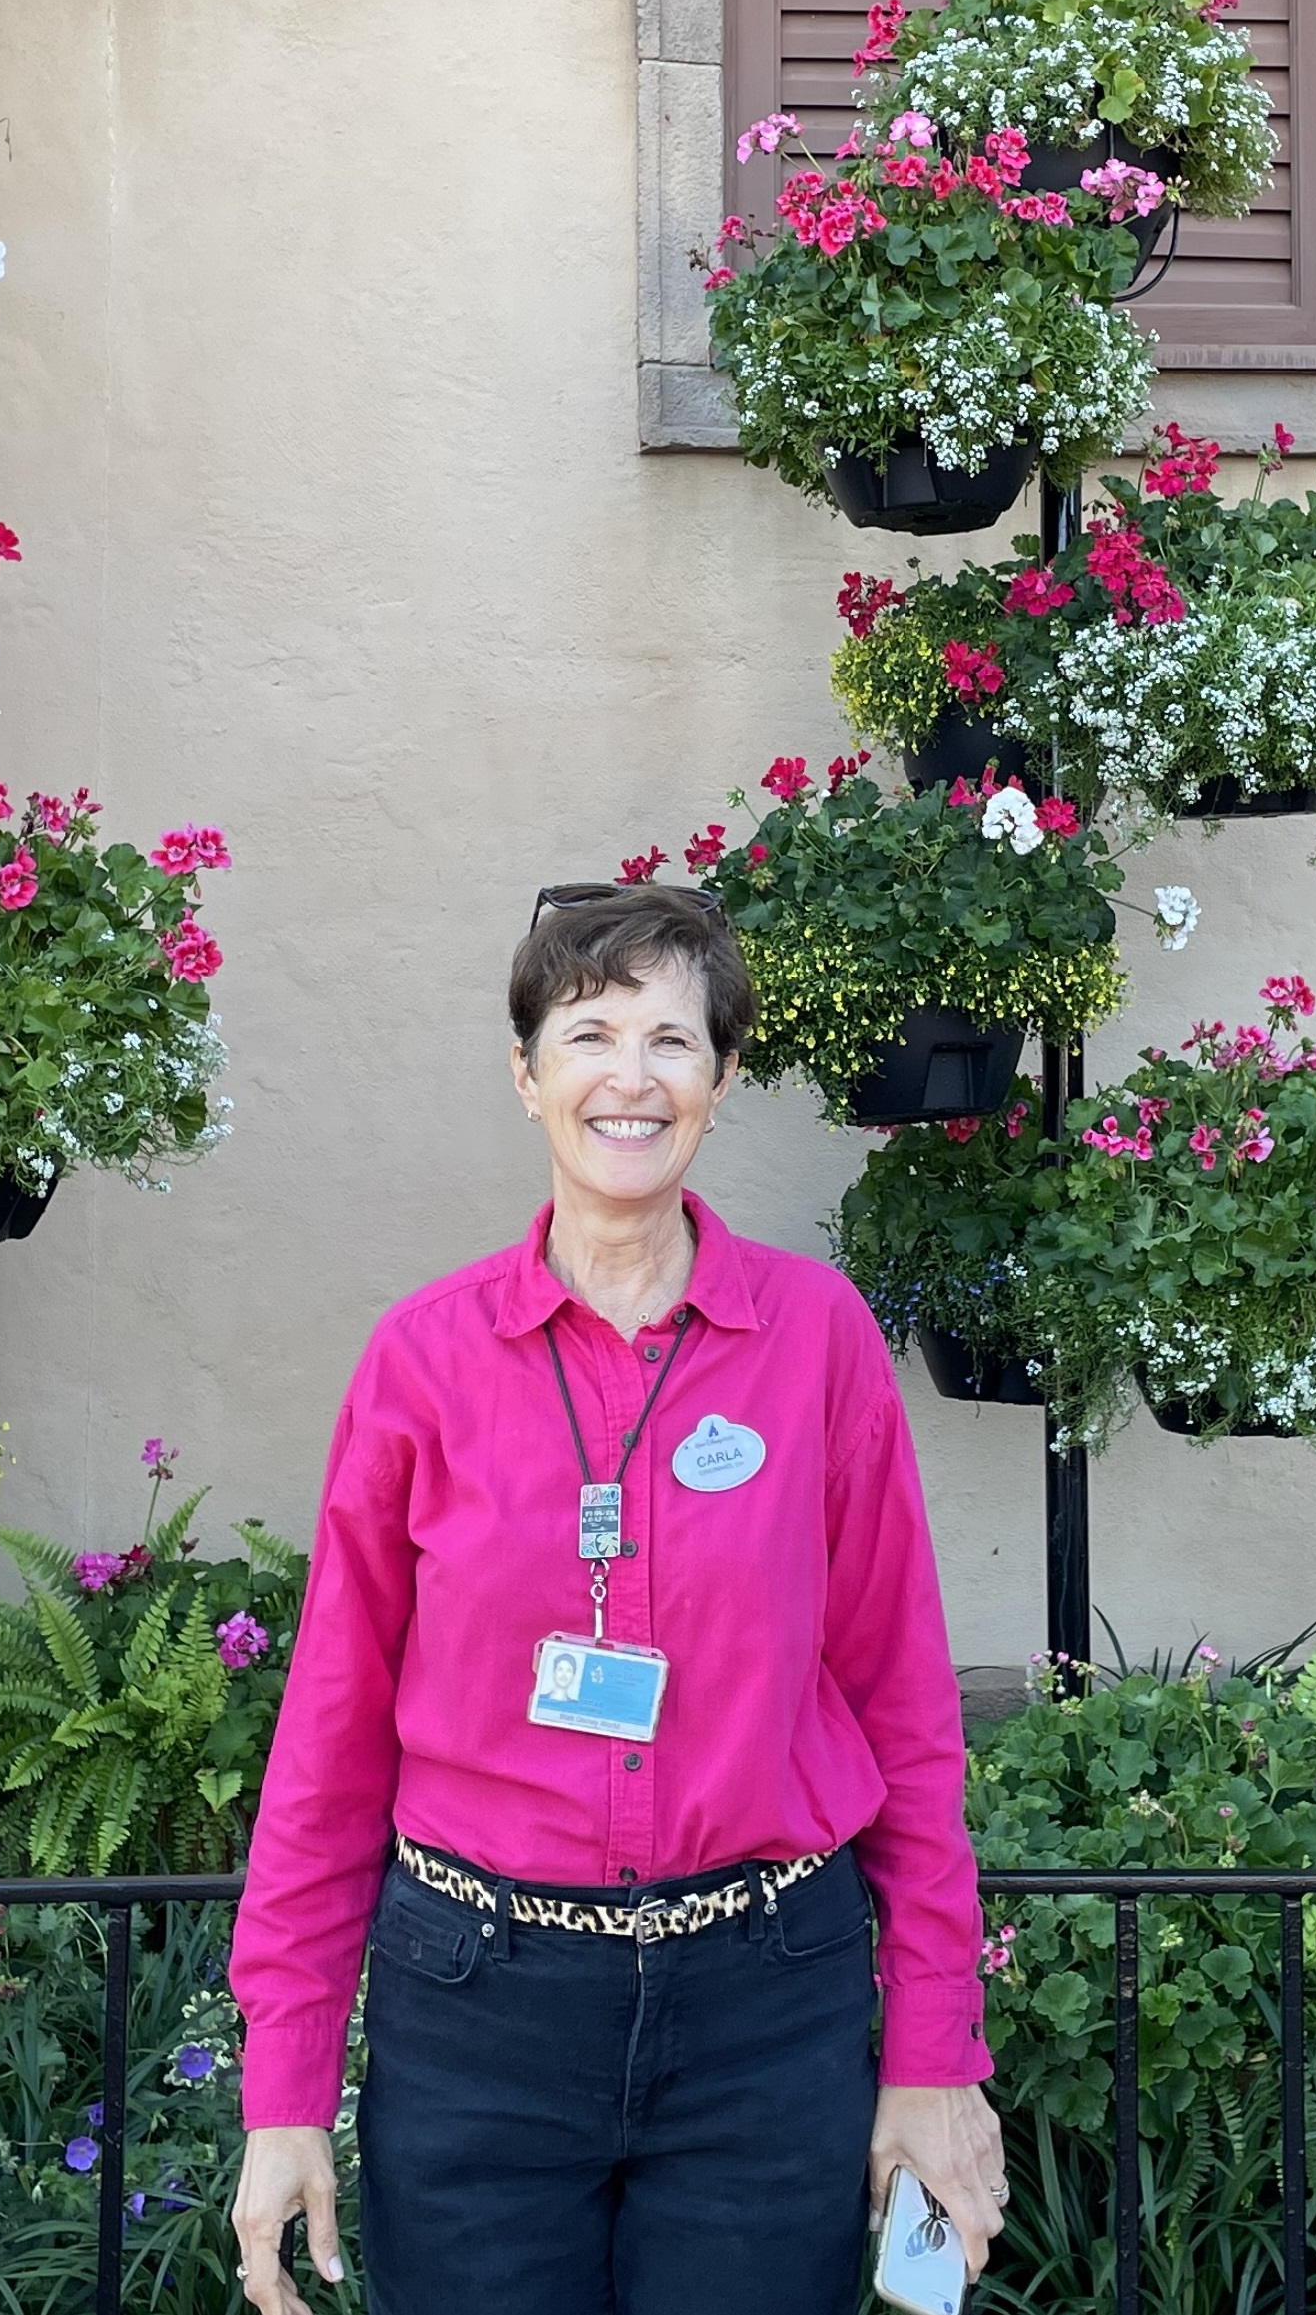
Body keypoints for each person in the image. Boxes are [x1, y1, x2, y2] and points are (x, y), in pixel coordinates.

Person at [226, 883, 1005, 2314]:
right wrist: (283, 2087)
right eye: (589, 1033)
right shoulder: (422, 1362)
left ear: (716, 1081)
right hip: (478, 2010)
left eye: (672, 1039)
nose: (629, 1077)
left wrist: (934, 2052)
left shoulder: (815, 1339)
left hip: (766, 2007)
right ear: (526, 1076)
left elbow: (898, 1705)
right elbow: (329, 1739)